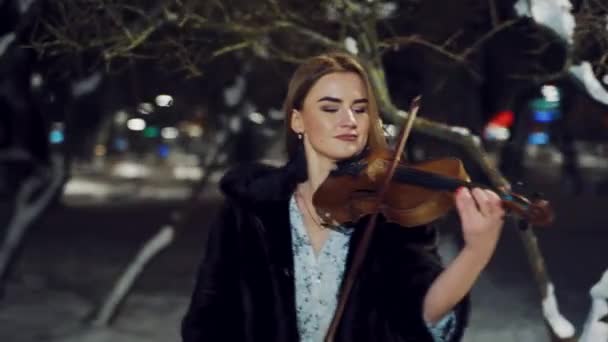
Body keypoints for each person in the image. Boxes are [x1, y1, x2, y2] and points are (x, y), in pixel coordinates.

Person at [181, 52, 505, 342]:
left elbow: (419, 317)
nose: (349, 120)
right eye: (330, 108)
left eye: (359, 109)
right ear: (298, 120)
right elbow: (208, 321)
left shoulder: (389, 209)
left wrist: (476, 251)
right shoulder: (249, 209)